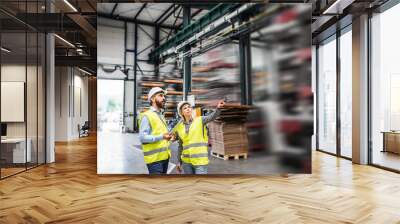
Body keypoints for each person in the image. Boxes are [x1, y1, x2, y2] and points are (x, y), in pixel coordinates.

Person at [172, 99, 225, 174]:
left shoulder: (200, 120)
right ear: (181, 112)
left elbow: (211, 117)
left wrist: (218, 108)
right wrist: (179, 162)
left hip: (200, 161)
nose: (188, 109)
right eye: (185, 108)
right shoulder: (179, 127)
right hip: (186, 162)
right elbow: (180, 146)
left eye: (189, 107)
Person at [139, 87, 173, 174]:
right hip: (154, 160)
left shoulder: (161, 115)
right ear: (153, 99)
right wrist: (162, 136)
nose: (164, 98)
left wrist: (169, 137)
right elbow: (143, 138)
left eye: (164, 96)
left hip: (164, 157)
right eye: (161, 96)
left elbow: (162, 134)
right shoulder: (147, 116)